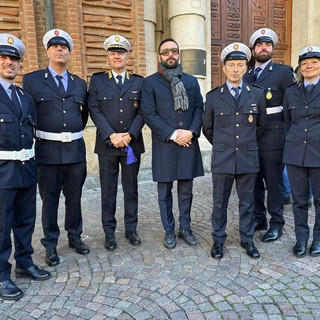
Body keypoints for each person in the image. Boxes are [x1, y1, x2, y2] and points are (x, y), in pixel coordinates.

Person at [23, 29, 90, 267]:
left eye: (64, 47)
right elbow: (27, 115)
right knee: (49, 201)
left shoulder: (80, 84)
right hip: (47, 152)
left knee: (74, 198)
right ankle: (50, 244)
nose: (60, 49)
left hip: (74, 151)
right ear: (48, 51)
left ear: (70, 53)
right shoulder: (32, 81)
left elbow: (82, 118)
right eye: (55, 46)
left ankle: (75, 237)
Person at [203, 42, 267, 259]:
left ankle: (247, 239)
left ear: (246, 68)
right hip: (223, 158)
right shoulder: (213, 97)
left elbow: (261, 125)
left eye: (240, 65)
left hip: (248, 157)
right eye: (231, 65)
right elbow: (208, 128)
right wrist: (224, 144)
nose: (235, 69)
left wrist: (243, 144)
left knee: (247, 202)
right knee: (219, 203)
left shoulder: (256, 95)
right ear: (224, 68)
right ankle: (218, 241)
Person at [0, 34, 51, 300]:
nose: (9, 63)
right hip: (2, 172)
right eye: (4, 58)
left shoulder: (24, 97)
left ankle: (24, 263)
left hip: (26, 170)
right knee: (0, 226)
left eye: (14, 59)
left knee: (25, 222)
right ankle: (1, 277)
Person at [141, 38, 204, 249]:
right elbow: (148, 114)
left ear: (179, 54)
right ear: (159, 56)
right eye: (165, 51)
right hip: (165, 144)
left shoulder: (191, 81)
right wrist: (173, 133)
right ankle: (169, 230)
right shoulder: (149, 83)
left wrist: (192, 132)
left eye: (174, 51)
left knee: (186, 190)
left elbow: (199, 109)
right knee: (164, 192)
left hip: (188, 143)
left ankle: (184, 228)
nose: (170, 55)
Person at [88, 35, 145, 251]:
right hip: (107, 146)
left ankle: (131, 229)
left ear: (127, 56)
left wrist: (130, 135)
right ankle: (109, 232)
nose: (117, 56)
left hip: (132, 145)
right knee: (108, 190)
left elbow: (143, 111)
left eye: (121, 52)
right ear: (108, 56)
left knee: (131, 189)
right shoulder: (98, 80)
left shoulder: (139, 82)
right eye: (113, 52)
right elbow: (94, 108)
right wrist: (111, 135)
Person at [243, 28, 294, 243]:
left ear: (272, 48)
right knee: (253, 181)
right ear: (253, 50)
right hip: (249, 137)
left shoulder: (283, 73)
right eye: (259, 45)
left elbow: (291, 107)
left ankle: (276, 224)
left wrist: (287, 134)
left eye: (267, 45)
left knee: (273, 183)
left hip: (273, 137)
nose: (264, 48)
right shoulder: (245, 74)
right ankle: (258, 218)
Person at [283, 45, 320, 258]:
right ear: (299, 67)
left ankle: (318, 239)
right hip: (296, 152)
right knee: (299, 200)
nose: (309, 66)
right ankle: (301, 238)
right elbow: (288, 122)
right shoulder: (291, 91)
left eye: (314, 62)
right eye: (305, 63)